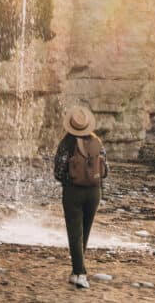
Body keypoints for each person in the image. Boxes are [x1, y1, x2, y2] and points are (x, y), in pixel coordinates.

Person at [53, 106, 109, 289]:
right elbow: (105, 171)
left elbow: (58, 171)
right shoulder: (96, 142)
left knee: (74, 233)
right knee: (84, 231)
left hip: (73, 191)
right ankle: (76, 272)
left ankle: (80, 273)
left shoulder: (66, 143)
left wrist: (69, 180)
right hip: (94, 192)